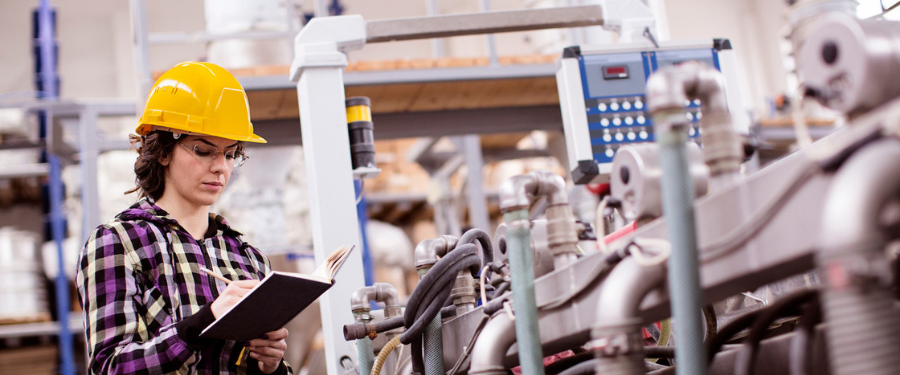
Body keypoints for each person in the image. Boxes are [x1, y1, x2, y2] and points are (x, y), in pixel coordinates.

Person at [76, 61, 291, 375]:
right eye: (204, 151)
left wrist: (270, 367)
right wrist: (203, 323)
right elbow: (111, 367)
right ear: (163, 151)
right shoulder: (117, 244)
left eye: (231, 154)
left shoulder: (249, 259)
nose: (221, 167)